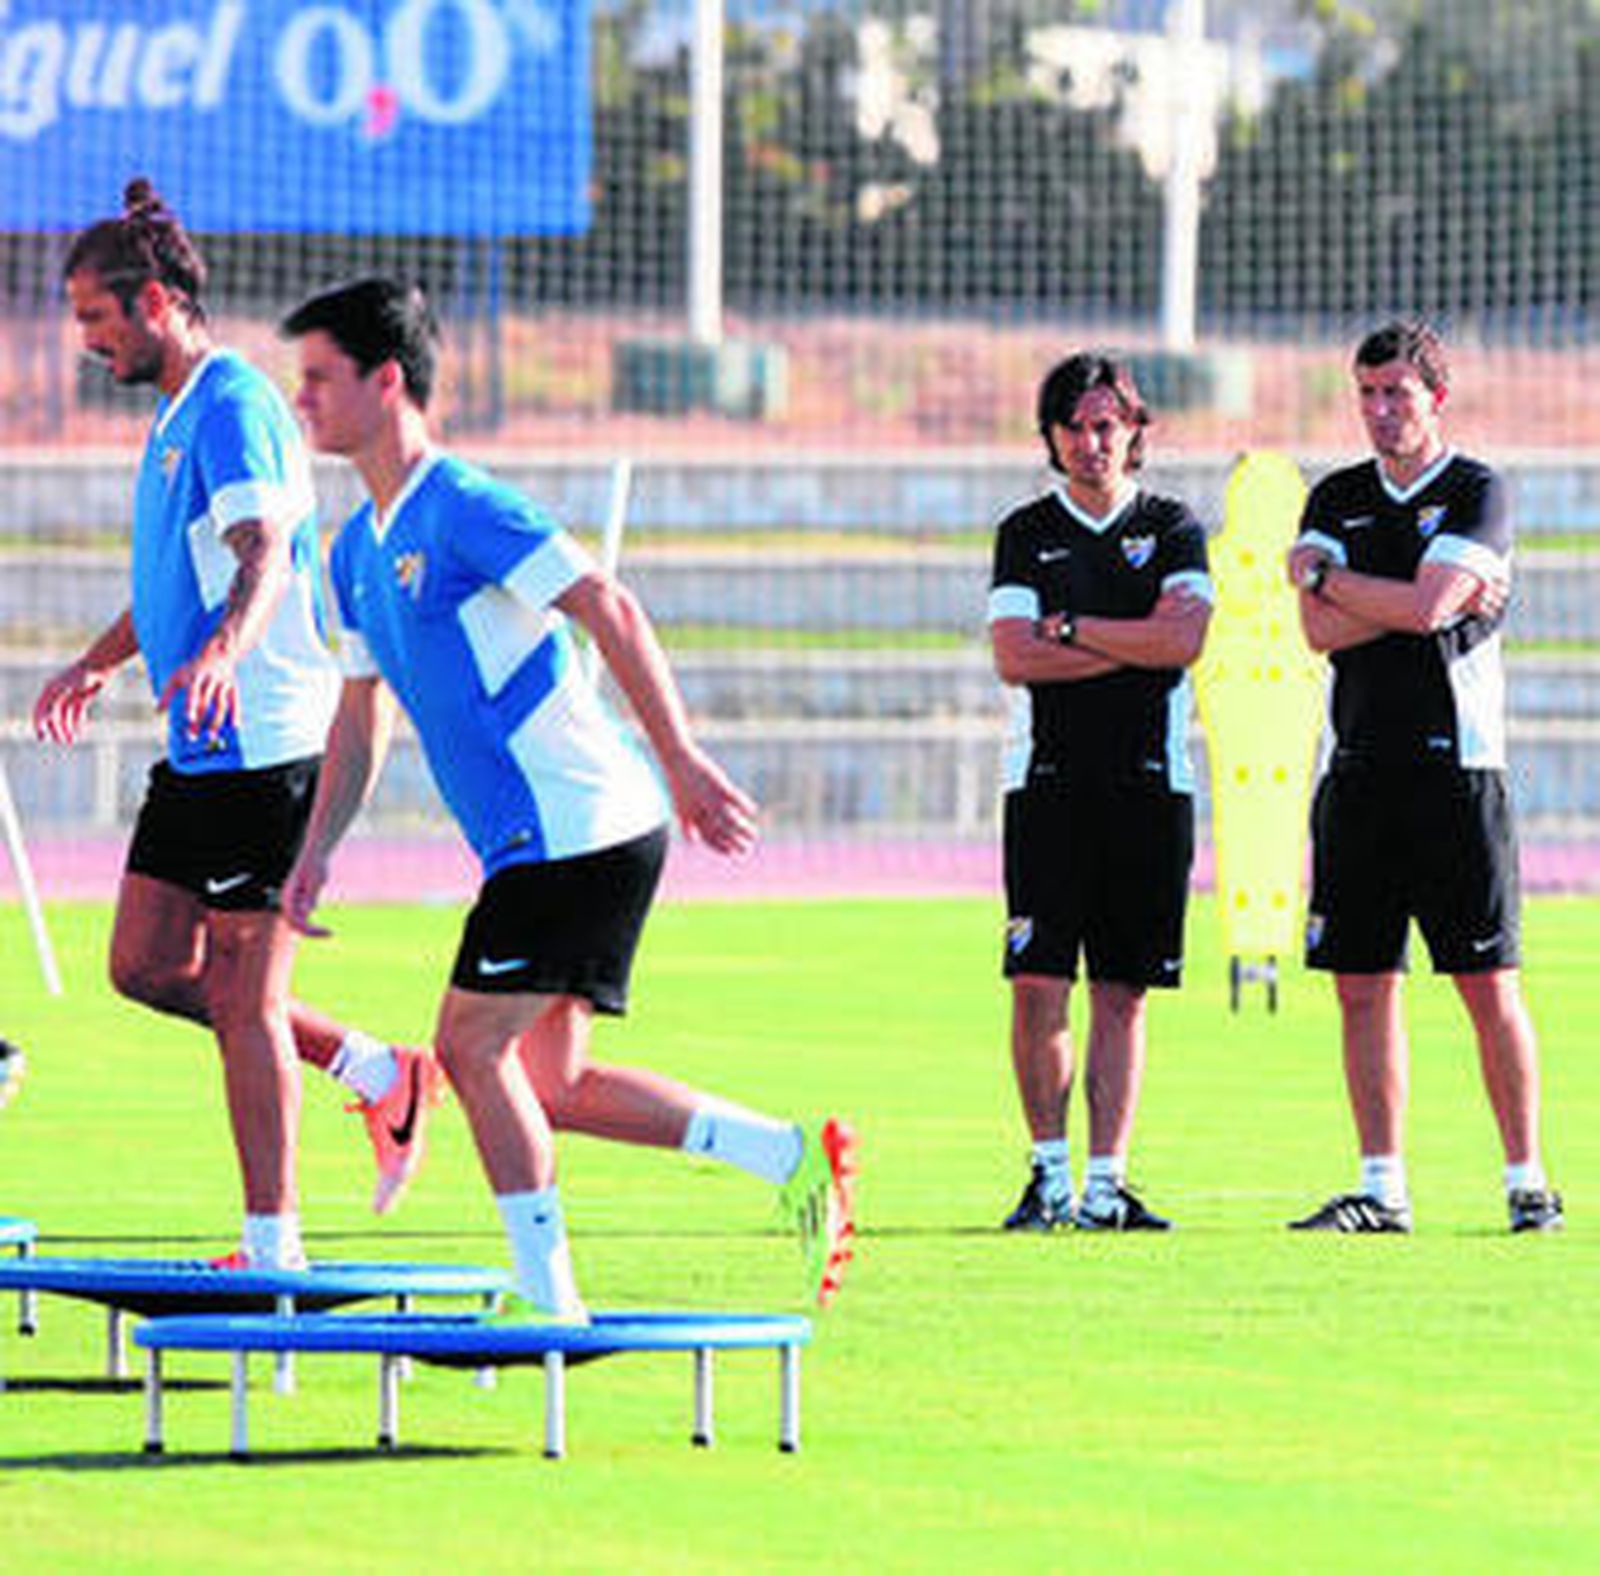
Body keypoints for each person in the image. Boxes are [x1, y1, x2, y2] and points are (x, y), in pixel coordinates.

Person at [278, 276, 857, 1317]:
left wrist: (681, 758)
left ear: (387, 380)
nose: (302, 397)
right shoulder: (354, 550)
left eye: (321, 377)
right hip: (547, 839)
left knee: (468, 1049)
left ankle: (551, 1304)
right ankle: (791, 1159)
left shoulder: (463, 506)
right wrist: (317, 848)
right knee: (549, 1086)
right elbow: (362, 715)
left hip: (575, 825)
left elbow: (608, 604)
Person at [31, 181, 444, 1266]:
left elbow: (265, 554)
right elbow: (176, 580)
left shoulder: (232, 406)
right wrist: (94, 662)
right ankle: (380, 1071)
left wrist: (220, 652)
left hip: (266, 743)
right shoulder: (177, 417)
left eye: (97, 317)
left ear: (155, 302)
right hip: (202, 745)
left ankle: (273, 1254)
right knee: (143, 964)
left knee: (249, 1000)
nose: (87, 341)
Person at [1286, 320, 1563, 1234]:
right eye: (1367, 394)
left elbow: (1430, 606)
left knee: (1487, 984)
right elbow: (1320, 633)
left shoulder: (1479, 490)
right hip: (1358, 770)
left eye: (1396, 393)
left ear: (1435, 398)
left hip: (1458, 772)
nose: (1380, 411)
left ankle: (1527, 1182)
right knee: (1363, 985)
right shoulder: (1335, 496)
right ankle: (1382, 1189)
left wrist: (1333, 579)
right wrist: (1398, 600)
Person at [987, 354, 1212, 1232]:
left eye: (1107, 425)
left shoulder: (1173, 526)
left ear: (1134, 430)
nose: (1092, 442)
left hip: (1150, 788)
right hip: (1046, 786)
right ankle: (1049, 1179)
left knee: (1122, 990)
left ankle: (1107, 1185)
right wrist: (1133, 642)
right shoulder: (1024, 532)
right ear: (1051, 437)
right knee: (1038, 983)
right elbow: (1015, 655)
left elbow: (1183, 642)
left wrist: (1074, 629)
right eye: (1075, 427)